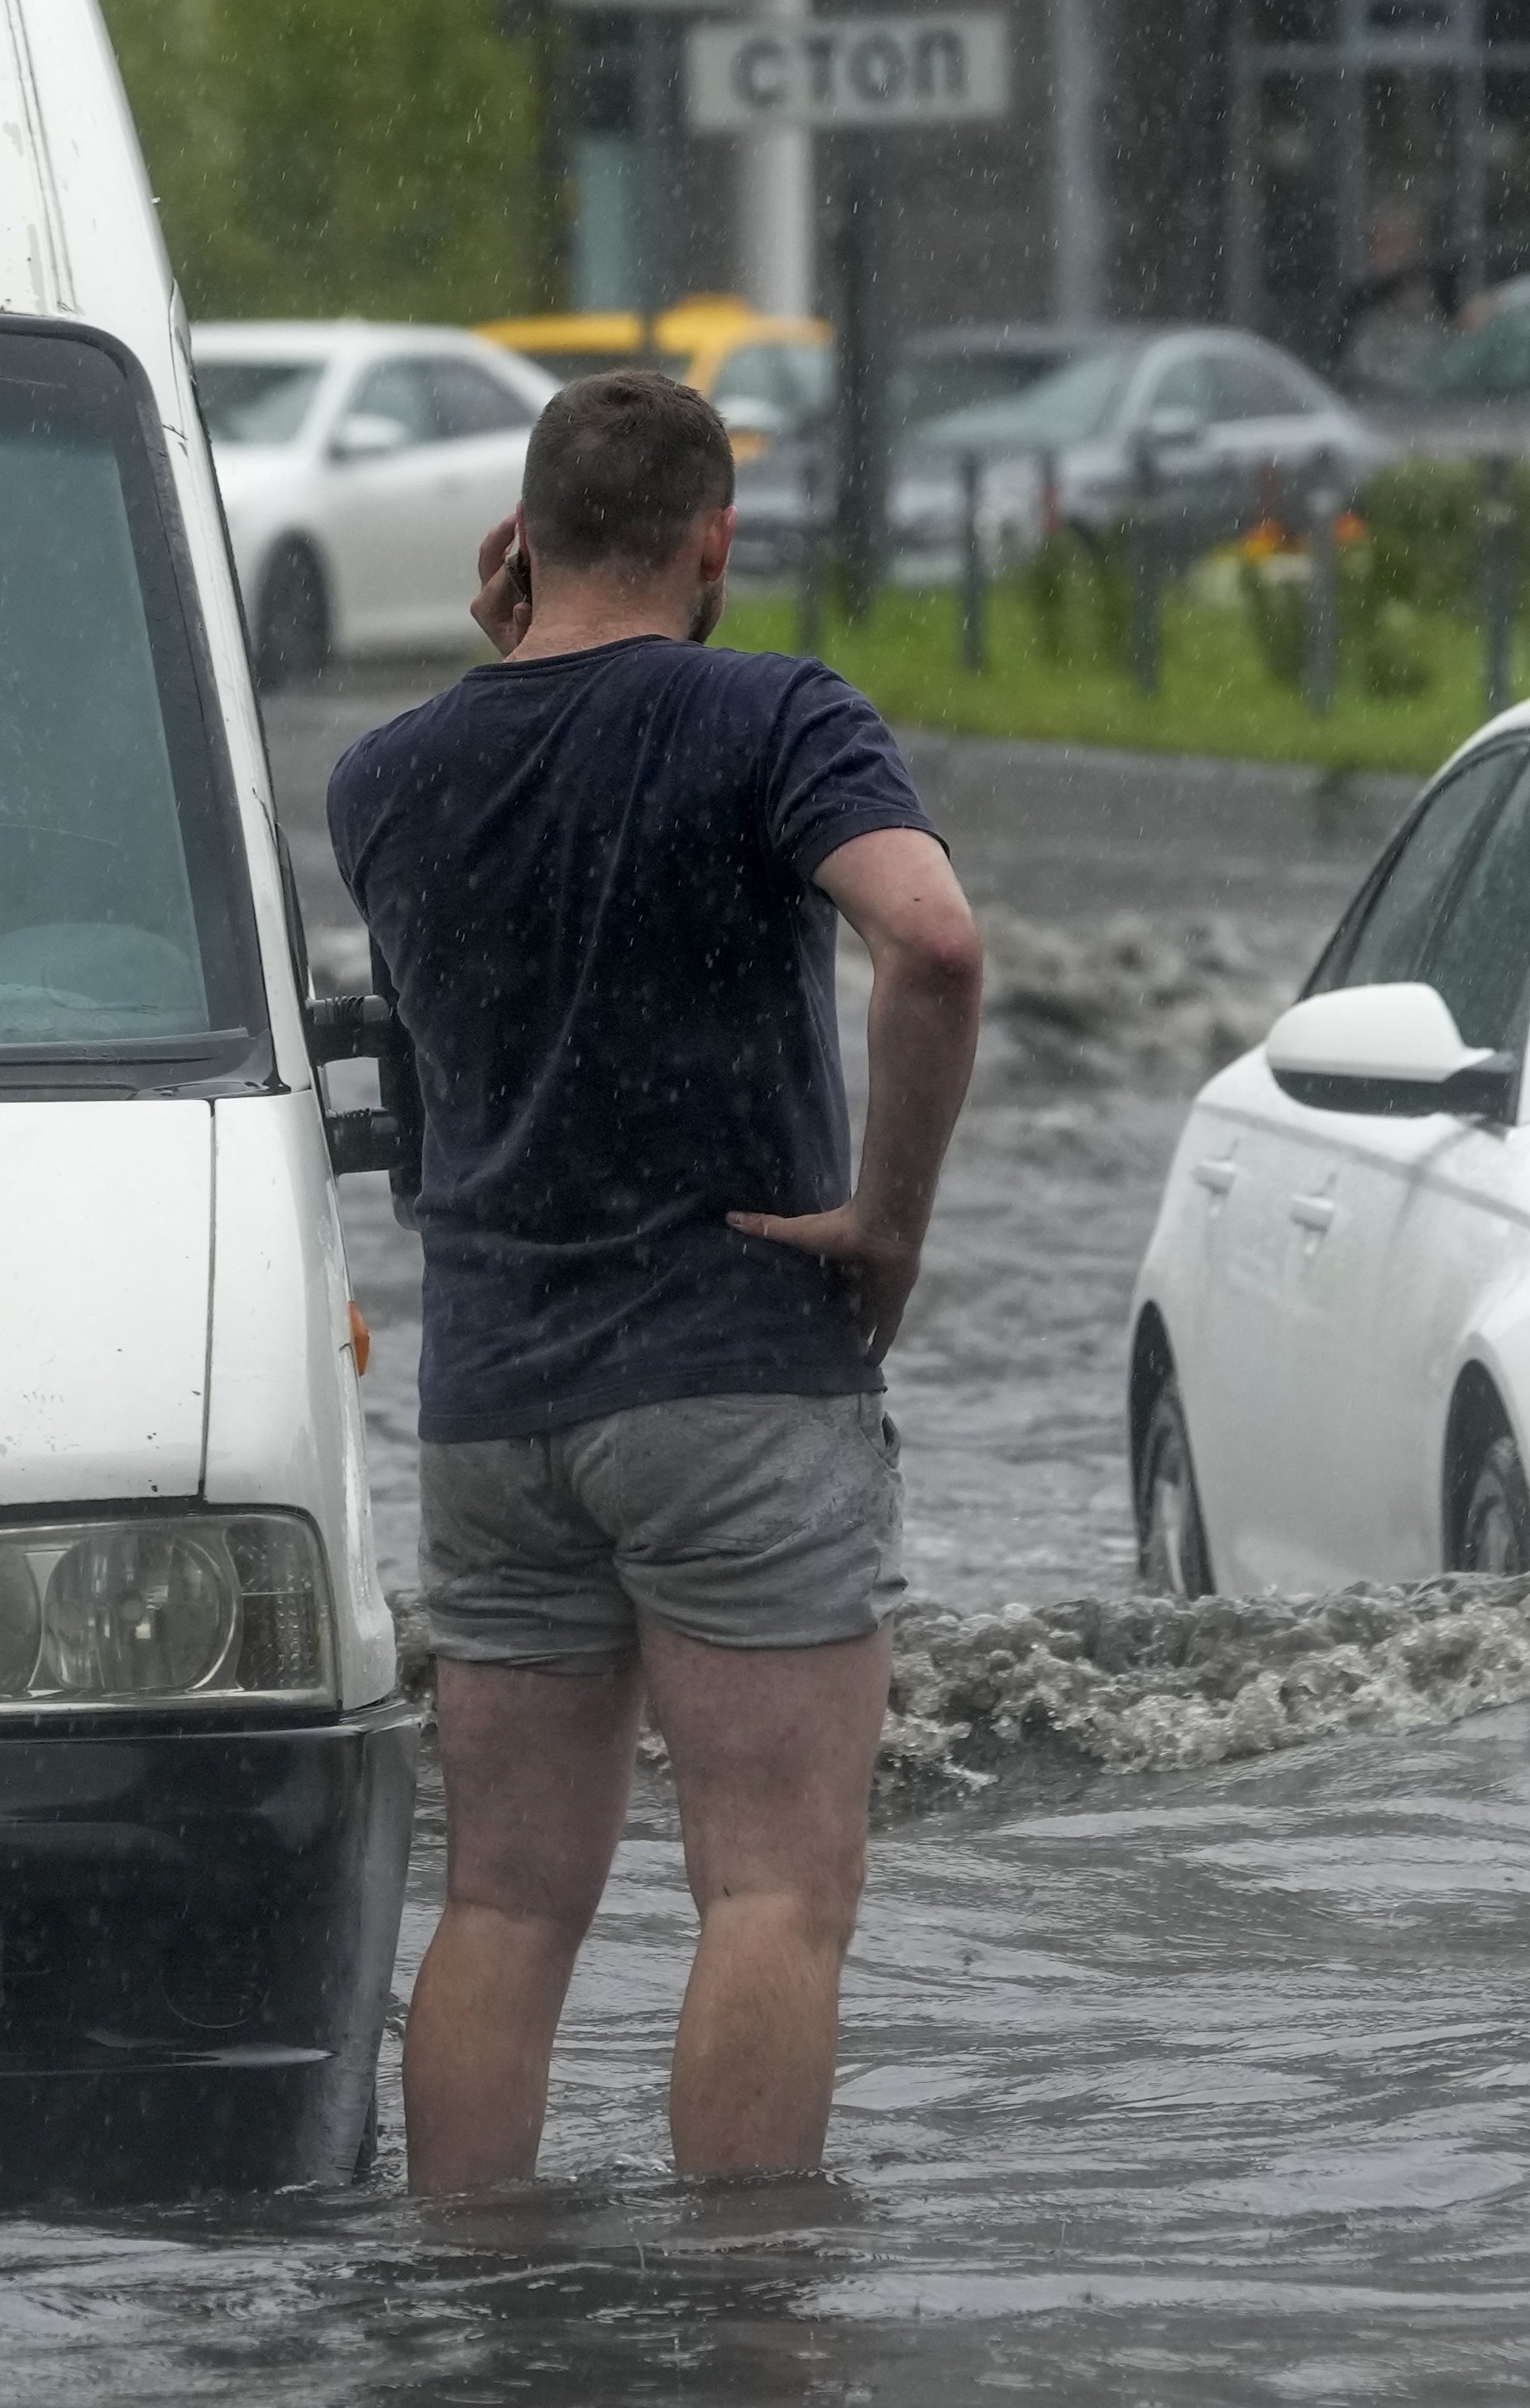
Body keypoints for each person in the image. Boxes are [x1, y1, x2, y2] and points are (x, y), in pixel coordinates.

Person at [333, 370, 987, 2194]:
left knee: (508, 1902)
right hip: (729, 1377)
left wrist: (514, 653)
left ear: (515, 543)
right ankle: (743, 2328)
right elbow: (931, 937)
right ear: (715, 543)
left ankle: (473, 2316)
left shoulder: (384, 777)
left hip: (491, 1404)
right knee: (770, 1891)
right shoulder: (773, 715)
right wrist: (889, 1218)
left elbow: (500, 930)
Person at [1327, 198, 1465, 399]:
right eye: (1379, 242)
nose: (1386, 252)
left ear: (1416, 245)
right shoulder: (1358, 304)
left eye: (1396, 241)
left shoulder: (1443, 292)